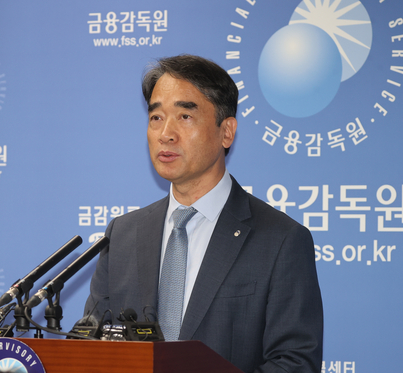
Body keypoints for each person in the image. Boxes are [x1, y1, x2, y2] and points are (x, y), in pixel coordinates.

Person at [84, 54, 323, 373]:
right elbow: (89, 348)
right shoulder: (123, 235)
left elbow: (295, 363)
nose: (165, 134)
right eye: (156, 118)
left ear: (227, 132)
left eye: (184, 116)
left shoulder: (280, 240)